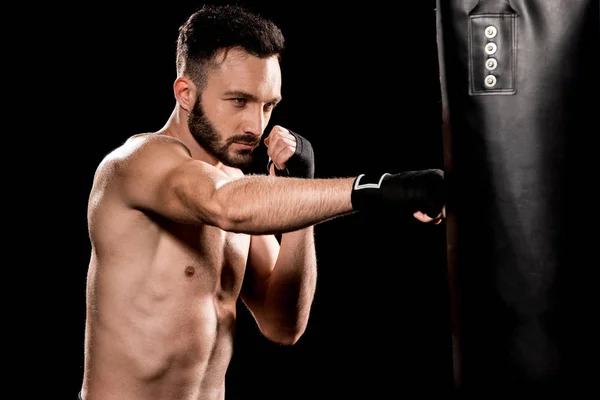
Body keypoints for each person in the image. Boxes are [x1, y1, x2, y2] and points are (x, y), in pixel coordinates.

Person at [79, 4, 446, 400]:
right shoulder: (139, 164)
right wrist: (376, 188)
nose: (256, 126)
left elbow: (282, 324)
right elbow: (224, 206)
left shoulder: (236, 183)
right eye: (239, 101)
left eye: (268, 105)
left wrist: (299, 191)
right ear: (186, 93)